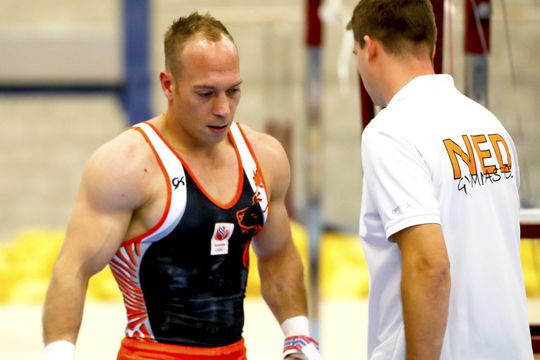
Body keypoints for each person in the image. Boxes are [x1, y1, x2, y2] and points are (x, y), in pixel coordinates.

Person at [42, 12, 320, 360]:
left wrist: (299, 338)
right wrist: (59, 354)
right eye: (205, 93)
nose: (223, 109)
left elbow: (278, 254)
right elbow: (73, 268)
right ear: (168, 85)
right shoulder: (127, 165)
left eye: (233, 91)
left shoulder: (264, 157)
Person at [347, 0, 533, 359]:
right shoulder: (489, 125)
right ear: (431, 46)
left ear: (369, 47)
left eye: (356, 53)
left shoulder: (389, 132)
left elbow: (430, 264)